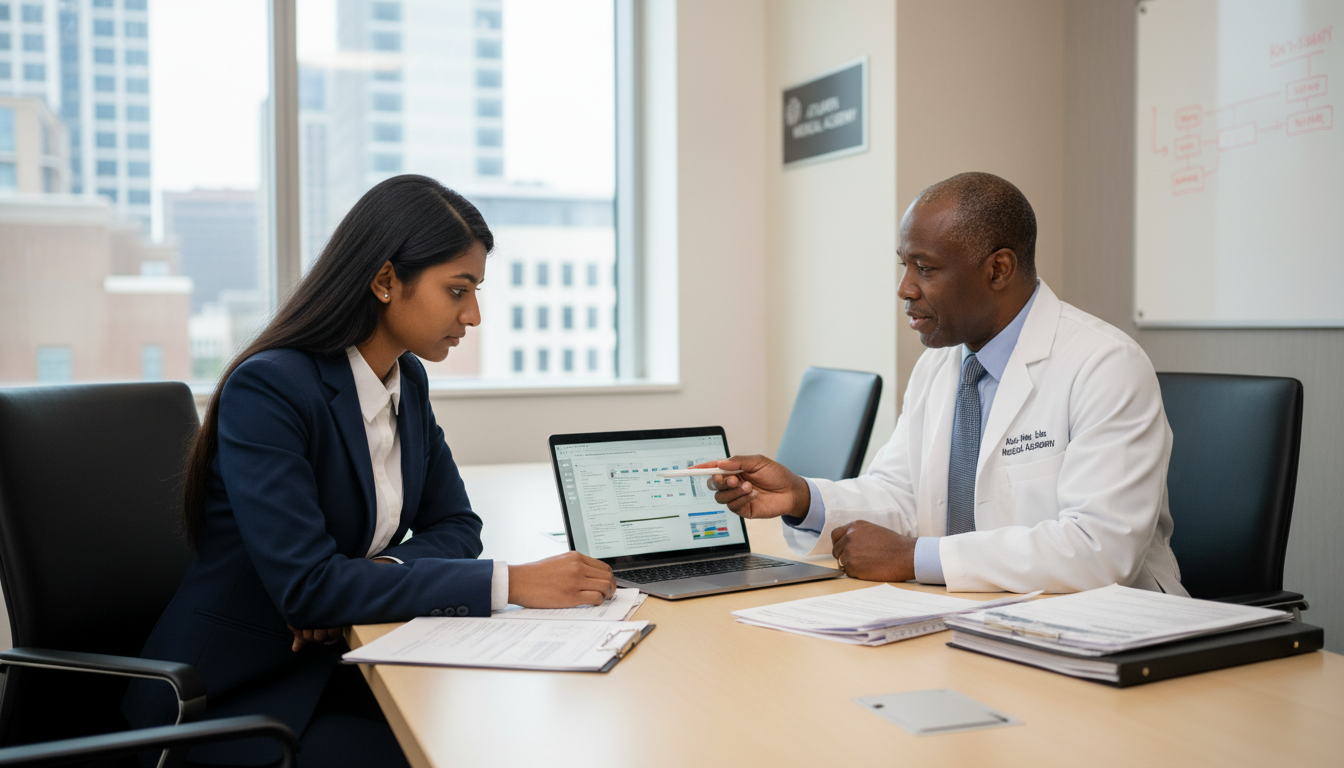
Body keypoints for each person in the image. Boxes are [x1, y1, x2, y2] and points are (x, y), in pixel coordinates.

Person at [122, 175, 617, 767]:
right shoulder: (273, 388)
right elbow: (308, 590)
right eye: (458, 290)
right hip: (232, 700)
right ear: (385, 280)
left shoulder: (406, 379)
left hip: (336, 667)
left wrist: (366, 576)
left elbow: (457, 525)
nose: (475, 314)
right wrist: (511, 582)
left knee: (513, 732)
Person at [705, 172, 1185, 596]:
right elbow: (901, 494)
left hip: (1107, 631)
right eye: (904, 265)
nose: (905, 289)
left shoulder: (1105, 365)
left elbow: (1098, 549)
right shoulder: (943, 364)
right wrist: (802, 498)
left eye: (926, 268)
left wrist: (915, 558)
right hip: (974, 615)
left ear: (998, 269)